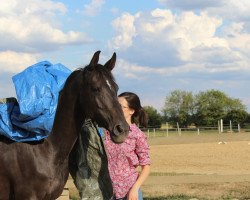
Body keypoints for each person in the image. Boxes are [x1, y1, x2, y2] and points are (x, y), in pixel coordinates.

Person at [104, 92, 151, 200]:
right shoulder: (106, 131)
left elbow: (146, 167)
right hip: (106, 192)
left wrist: (135, 189)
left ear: (132, 111)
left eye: (120, 106)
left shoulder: (137, 135)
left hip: (128, 193)